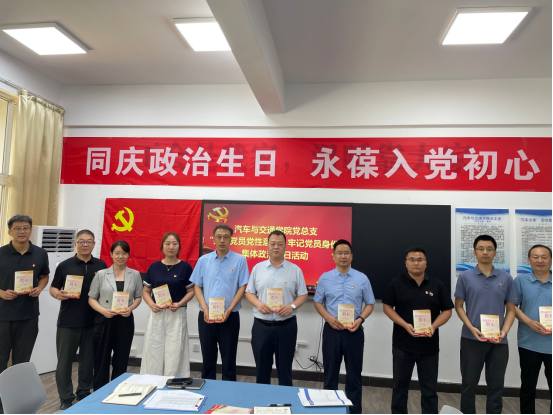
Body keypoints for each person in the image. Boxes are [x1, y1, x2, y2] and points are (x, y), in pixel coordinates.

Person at [383, 246, 453, 414]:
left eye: (420, 260)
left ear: (425, 263)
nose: (416, 263)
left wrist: (433, 326)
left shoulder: (438, 285)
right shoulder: (396, 283)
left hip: (429, 347)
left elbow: (447, 310)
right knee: (400, 387)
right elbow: (387, 307)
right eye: (412, 260)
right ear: (406, 263)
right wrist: (404, 324)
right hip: (402, 345)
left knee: (429, 390)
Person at [454, 234, 516, 414]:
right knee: (468, 385)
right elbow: (459, 306)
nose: (485, 252)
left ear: (495, 253)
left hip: (498, 341)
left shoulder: (506, 278)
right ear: (474, 252)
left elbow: (511, 309)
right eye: (480, 249)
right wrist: (471, 327)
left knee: (496, 387)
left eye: (489, 249)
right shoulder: (465, 277)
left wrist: (505, 331)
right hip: (471, 339)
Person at [313, 239, 375, 414]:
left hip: (354, 331)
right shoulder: (325, 278)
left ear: (351, 256)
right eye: (339, 253)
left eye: (346, 253)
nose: (343, 256)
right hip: (332, 331)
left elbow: (370, 304)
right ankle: (329, 411)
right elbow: (317, 302)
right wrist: (329, 318)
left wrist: (360, 319)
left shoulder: (362, 278)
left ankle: (353, 412)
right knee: (330, 375)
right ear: (333, 256)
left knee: (354, 376)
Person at [50, 229, 107, 411]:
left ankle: (83, 391)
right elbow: (53, 287)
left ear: (94, 244)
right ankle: (65, 397)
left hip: (93, 321)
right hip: (68, 321)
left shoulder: (101, 265)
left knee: (88, 361)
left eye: (89, 241)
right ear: (75, 244)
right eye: (81, 241)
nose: (85, 244)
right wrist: (57, 294)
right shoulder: (64, 266)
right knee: (64, 362)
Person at [245, 230, 308, 386]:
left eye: (280, 244)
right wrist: (258, 304)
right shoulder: (257, 268)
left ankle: (285, 400)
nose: (276, 247)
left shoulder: (295, 270)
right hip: (261, 326)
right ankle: (262, 399)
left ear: (285, 246)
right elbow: (249, 293)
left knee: (285, 370)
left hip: (286, 326)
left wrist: (292, 306)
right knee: (262, 370)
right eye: (272, 243)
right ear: (267, 246)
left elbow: (303, 295)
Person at [0, 215, 49, 413]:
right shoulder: (1, 253)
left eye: (26, 228)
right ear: (9, 231)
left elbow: (44, 276)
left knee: (22, 362)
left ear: (30, 230)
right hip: (2, 317)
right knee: (1, 360)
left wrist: (40, 288)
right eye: (18, 228)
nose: (22, 231)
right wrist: (1, 293)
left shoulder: (40, 253)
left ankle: (18, 405)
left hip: (28, 316)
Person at [191, 224, 249, 381]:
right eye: (219, 237)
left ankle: (228, 391)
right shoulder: (203, 260)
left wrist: (229, 310)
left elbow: (242, 287)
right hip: (207, 316)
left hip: (230, 316)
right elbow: (197, 286)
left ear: (231, 239)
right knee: (208, 358)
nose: (222, 240)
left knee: (229, 359)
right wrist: (205, 309)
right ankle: (207, 389)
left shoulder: (240, 260)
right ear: (214, 239)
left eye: (226, 237)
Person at [88, 240, 143, 390]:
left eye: (124, 253)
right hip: (105, 319)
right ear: (111, 254)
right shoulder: (101, 274)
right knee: (101, 358)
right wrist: (103, 310)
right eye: (117, 253)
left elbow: (138, 297)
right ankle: (100, 391)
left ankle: (118, 390)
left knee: (121, 358)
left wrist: (130, 308)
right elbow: (91, 298)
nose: (120, 256)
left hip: (125, 320)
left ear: (128, 255)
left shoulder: (135, 274)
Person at [140, 232, 194, 376]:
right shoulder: (154, 267)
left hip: (177, 313)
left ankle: (173, 381)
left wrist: (179, 304)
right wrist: (151, 304)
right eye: (167, 243)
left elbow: (191, 291)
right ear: (162, 246)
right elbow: (146, 291)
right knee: (153, 348)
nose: (171, 247)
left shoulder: (185, 267)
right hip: (157, 313)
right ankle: (152, 380)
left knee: (175, 350)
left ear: (179, 247)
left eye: (174, 244)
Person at [514, 244, 552, 414]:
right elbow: (512, 307)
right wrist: (529, 322)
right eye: (535, 257)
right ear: (529, 260)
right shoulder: (520, 281)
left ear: (551, 260)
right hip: (528, 343)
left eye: (544, 257)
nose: (540, 260)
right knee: (528, 387)